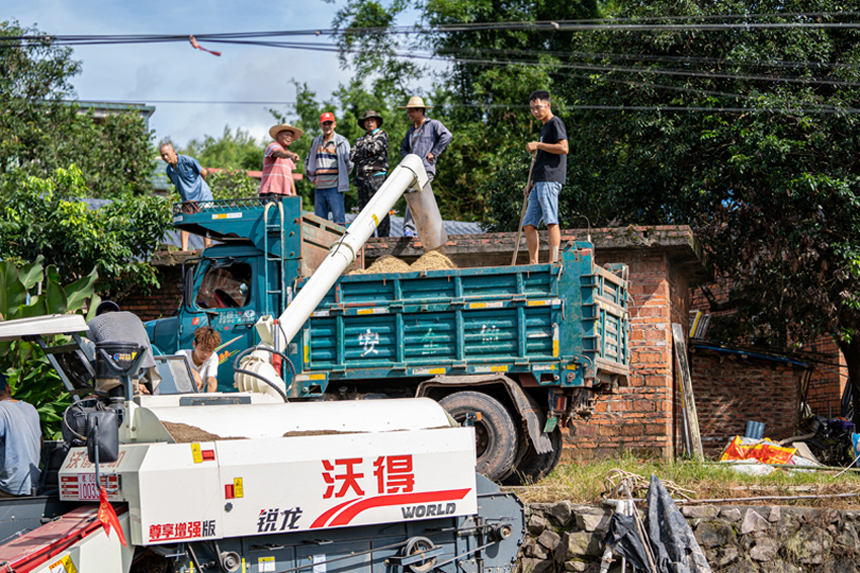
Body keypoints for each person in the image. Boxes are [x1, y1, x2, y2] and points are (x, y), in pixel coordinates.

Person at [523, 90, 568, 264]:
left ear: (548, 105)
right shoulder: (544, 127)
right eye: (532, 108)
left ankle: (553, 260)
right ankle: (533, 263)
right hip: (540, 181)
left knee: (550, 220)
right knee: (528, 224)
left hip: (550, 179)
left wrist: (538, 145)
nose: (535, 111)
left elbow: (564, 148)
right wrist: (532, 182)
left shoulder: (555, 123)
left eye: (538, 107)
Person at [399, 96, 452, 237]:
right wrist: (408, 159)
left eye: (411, 111)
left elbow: (447, 136)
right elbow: (403, 148)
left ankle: (409, 228)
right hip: (413, 171)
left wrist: (433, 153)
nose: (409, 114)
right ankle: (429, 230)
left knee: (415, 194)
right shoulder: (411, 131)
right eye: (408, 112)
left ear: (420, 110)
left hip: (426, 169)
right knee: (423, 198)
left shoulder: (433, 124)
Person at [86, 301, 161, 396]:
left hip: (113, 369)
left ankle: (103, 389)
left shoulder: (93, 323)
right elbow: (147, 348)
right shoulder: (133, 318)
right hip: (140, 367)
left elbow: (97, 350)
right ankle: (139, 383)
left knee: (89, 345)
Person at [160, 142, 214, 251]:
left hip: (202, 195)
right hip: (187, 198)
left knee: (204, 221)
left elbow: (203, 172)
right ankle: (184, 250)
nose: (165, 157)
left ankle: (207, 249)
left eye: (167, 154)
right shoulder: (169, 170)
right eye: (162, 156)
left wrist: (198, 187)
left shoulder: (188, 161)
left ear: (173, 151)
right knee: (185, 221)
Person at [305, 112, 353, 225]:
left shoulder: (341, 141)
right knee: (320, 222)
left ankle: (340, 242)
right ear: (320, 125)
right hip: (319, 187)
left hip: (335, 188)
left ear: (334, 124)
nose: (327, 126)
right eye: (324, 124)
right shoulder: (316, 141)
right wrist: (312, 178)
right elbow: (307, 161)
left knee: (339, 220)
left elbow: (349, 163)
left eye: (329, 123)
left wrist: (341, 177)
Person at [0, 372, 41, 497]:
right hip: (33, 484)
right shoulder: (30, 408)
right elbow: (41, 443)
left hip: (8, 487)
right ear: (9, 388)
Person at [350, 110, 390, 237]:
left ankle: (383, 239)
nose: (370, 122)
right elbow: (352, 156)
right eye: (367, 120)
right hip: (362, 179)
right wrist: (366, 151)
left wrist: (362, 151)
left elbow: (376, 148)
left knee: (380, 209)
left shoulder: (382, 135)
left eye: (372, 120)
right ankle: (368, 239)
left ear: (377, 122)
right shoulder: (360, 139)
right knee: (364, 213)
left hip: (377, 176)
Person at [260, 123, 303, 200]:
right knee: (269, 211)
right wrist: (290, 155)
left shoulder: (288, 152)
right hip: (270, 191)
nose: (289, 138)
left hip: (285, 193)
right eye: (287, 135)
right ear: (279, 135)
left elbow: (290, 174)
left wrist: (293, 192)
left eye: (291, 136)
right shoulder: (272, 146)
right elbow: (279, 153)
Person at [177, 326, 222, 393]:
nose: (205, 354)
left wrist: (211, 400)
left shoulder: (213, 357)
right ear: (194, 344)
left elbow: (211, 379)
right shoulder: (182, 355)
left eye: (209, 351)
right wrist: (193, 373)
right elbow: (175, 364)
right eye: (202, 349)